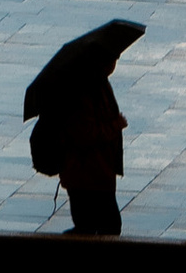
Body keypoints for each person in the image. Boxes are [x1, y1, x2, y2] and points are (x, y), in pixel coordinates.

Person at [25, 17, 142, 239]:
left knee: (100, 226)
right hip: (86, 174)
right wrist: (114, 126)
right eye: (112, 59)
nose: (115, 64)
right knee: (100, 227)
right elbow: (84, 134)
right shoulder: (79, 92)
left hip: (97, 173)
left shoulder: (98, 83)